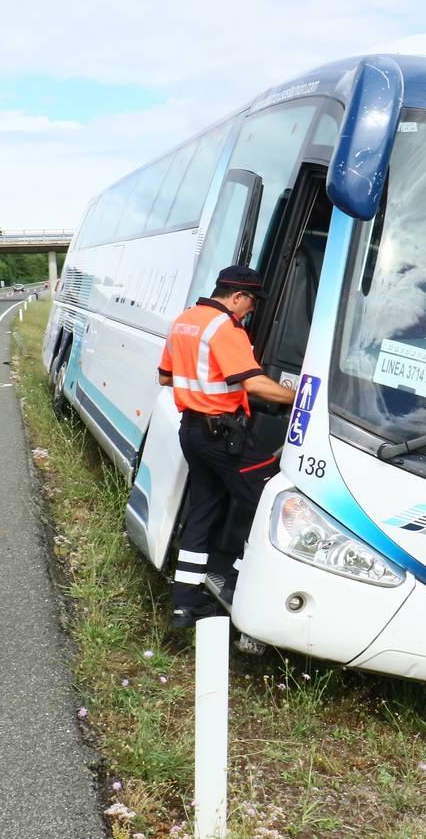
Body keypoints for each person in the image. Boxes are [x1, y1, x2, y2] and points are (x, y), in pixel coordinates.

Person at [157, 265, 296, 628]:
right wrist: (299, 398)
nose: (251, 310)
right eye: (251, 302)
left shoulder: (184, 321)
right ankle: (239, 584)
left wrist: (202, 389)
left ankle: (185, 605)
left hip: (192, 432)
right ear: (237, 296)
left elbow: (166, 376)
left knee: (203, 511)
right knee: (269, 503)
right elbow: (255, 385)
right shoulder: (225, 328)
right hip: (224, 437)